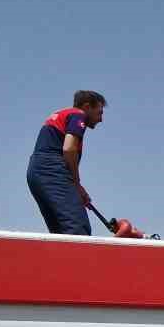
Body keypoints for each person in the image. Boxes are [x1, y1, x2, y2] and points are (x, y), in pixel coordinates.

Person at [27, 90, 106, 235]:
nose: (101, 119)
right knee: (78, 228)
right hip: (51, 169)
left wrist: (78, 188)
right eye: (99, 112)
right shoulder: (78, 115)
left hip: (36, 172)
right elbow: (69, 149)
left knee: (60, 231)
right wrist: (76, 183)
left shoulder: (62, 114)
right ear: (87, 107)